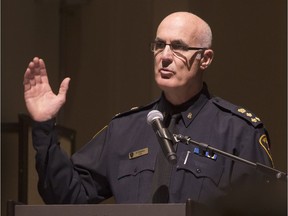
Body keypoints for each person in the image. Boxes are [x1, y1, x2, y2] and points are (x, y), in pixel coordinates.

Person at [23, 11, 273, 206]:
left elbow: (261, 208)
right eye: (159, 45)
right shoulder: (125, 129)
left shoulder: (238, 131)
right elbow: (68, 197)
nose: (165, 56)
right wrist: (44, 126)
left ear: (205, 59)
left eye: (178, 47)